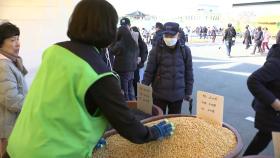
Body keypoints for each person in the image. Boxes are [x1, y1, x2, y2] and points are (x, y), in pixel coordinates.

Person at [6, 1, 175, 158]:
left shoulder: (53, 51)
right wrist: (153, 133)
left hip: (18, 145)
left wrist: (87, 139)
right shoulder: (99, 74)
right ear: (108, 29)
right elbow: (127, 125)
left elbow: (63, 106)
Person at [142, 22, 194, 114]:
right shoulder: (156, 50)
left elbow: (189, 72)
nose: (168, 38)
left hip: (178, 96)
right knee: (158, 121)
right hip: (159, 95)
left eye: (171, 35)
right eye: (166, 35)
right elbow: (149, 72)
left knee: (174, 123)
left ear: (178, 35)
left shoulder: (185, 50)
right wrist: (142, 89)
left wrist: (188, 92)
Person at [243, 39, 280, 156]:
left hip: (273, 114)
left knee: (262, 138)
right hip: (272, 113)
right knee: (263, 138)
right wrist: (275, 102)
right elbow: (253, 80)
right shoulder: (276, 62)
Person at [0, 22, 28, 158]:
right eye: (12, 40)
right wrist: (33, 106)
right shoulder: (3, 66)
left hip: (13, 126)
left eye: (18, 39)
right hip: (8, 128)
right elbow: (11, 100)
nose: (17, 43)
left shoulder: (11, 62)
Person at [110, 17, 139, 101]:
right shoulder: (133, 42)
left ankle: (127, 107)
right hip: (132, 69)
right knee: (131, 89)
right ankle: (134, 104)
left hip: (122, 70)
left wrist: (114, 40)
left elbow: (111, 51)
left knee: (124, 91)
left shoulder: (120, 43)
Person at [131, 26, 148, 98]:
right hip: (131, 67)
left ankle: (139, 97)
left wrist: (141, 60)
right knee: (133, 83)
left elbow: (145, 54)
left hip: (139, 67)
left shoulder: (142, 44)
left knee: (138, 83)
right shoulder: (130, 43)